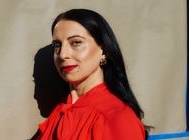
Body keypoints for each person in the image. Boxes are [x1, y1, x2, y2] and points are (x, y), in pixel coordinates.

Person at [32, 9, 148, 140]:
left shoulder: (117, 118)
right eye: (57, 46)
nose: (63, 55)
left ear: (103, 50)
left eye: (76, 42)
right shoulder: (62, 108)